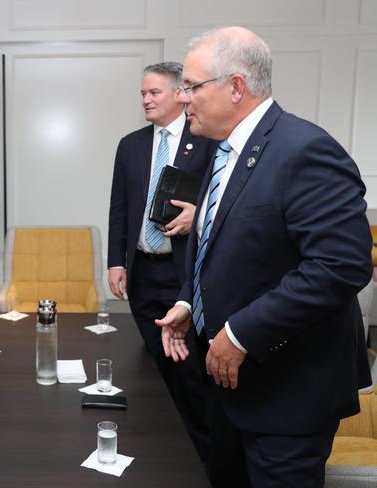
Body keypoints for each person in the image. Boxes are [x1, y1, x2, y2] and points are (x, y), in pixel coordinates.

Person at [157, 27, 373, 487]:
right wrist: (188, 302)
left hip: (288, 391)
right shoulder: (221, 149)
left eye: (191, 86)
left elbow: (341, 265)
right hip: (231, 385)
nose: (183, 98)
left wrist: (240, 333)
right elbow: (220, 243)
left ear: (235, 87)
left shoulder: (304, 149)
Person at [107, 62, 217, 463]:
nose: (146, 100)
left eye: (153, 93)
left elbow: (224, 199)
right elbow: (119, 207)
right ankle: (157, 451)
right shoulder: (131, 144)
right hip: (142, 271)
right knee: (152, 370)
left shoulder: (207, 140)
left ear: (179, 94)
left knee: (188, 374)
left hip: (185, 276)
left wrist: (198, 213)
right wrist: (115, 261)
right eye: (142, 94)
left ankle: (197, 457)